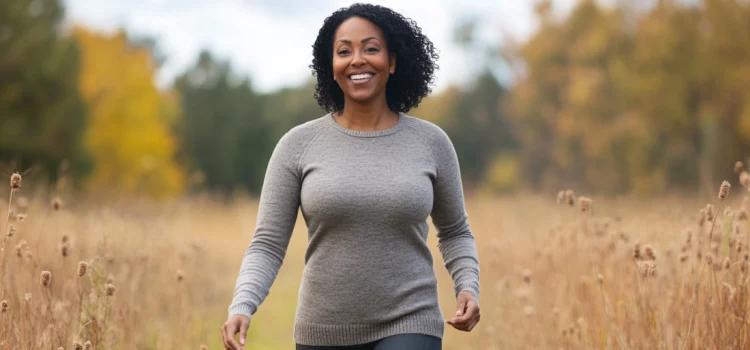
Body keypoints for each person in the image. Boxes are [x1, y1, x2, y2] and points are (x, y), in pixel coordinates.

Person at [221, 3, 481, 350]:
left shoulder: (431, 143)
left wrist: (467, 286)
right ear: (331, 67)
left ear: (392, 62)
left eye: (371, 48)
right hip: (323, 329)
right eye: (344, 51)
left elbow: (455, 232)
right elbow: (267, 243)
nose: (357, 60)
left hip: (411, 319)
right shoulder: (297, 146)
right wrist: (243, 304)